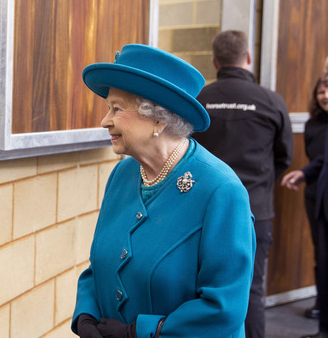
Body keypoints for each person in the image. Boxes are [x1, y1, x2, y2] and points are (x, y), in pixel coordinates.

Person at [73, 44, 255, 338]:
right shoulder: (123, 174)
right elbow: (100, 265)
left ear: (158, 118)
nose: (105, 121)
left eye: (116, 109)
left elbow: (224, 308)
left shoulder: (221, 191)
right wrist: (86, 314)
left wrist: (142, 331)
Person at [191, 30, 293, 338]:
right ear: (248, 58)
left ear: (214, 62)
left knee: (201, 290)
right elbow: (284, 156)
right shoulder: (271, 101)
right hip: (254, 210)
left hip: (202, 211)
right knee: (250, 291)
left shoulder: (199, 100)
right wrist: (260, 187)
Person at [283, 57, 328, 338]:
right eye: (322, 88)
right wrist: (305, 174)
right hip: (319, 196)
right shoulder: (313, 125)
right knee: (322, 258)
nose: (325, 94)